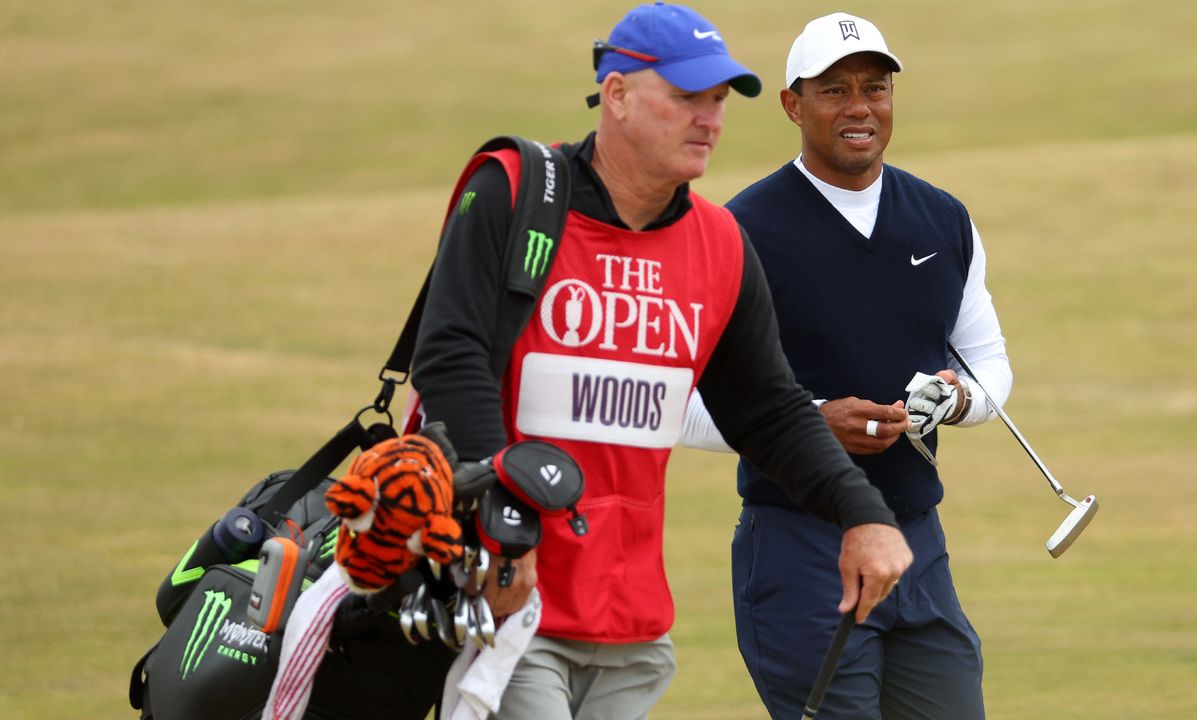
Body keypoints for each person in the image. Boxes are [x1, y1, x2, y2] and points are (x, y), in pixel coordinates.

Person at [410, 3, 914, 718]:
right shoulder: (512, 191)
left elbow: (767, 409)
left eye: (717, 100)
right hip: (508, 595)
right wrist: (508, 529)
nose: (708, 118)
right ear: (616, 94)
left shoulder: (720, 243)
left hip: (631, 624)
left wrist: (864, 513)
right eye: (684, 97)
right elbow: (450, 357)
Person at [680, 12, 1013, 720]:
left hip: (918, 540)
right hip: (800, 548)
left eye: (875, 87)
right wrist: (809, 425)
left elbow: (988, 365)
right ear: (793, 105)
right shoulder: (739, 234)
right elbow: (676, 399)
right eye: (833, 90)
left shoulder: (942, 219)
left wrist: (956, 402)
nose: (860, 106)